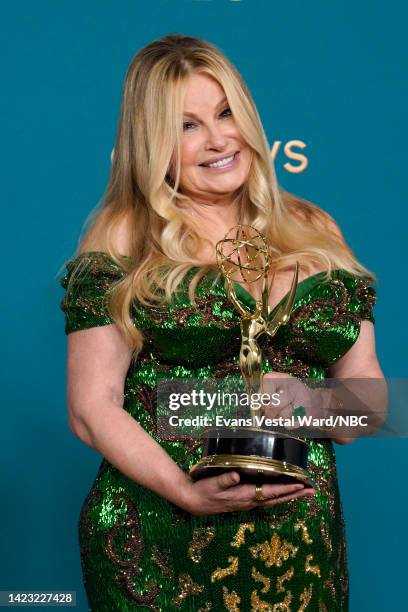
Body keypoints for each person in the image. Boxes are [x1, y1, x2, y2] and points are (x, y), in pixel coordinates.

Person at [59, 33, 383, 612]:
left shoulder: (316, 229)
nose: (217, 139)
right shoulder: (124, 238)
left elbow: (373, 407)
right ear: (152, 142)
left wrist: (310, 400)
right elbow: (91, 408)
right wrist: (186, 489)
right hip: (162, 541)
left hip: (301, 544)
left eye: (226, 112)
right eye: (186, 126)